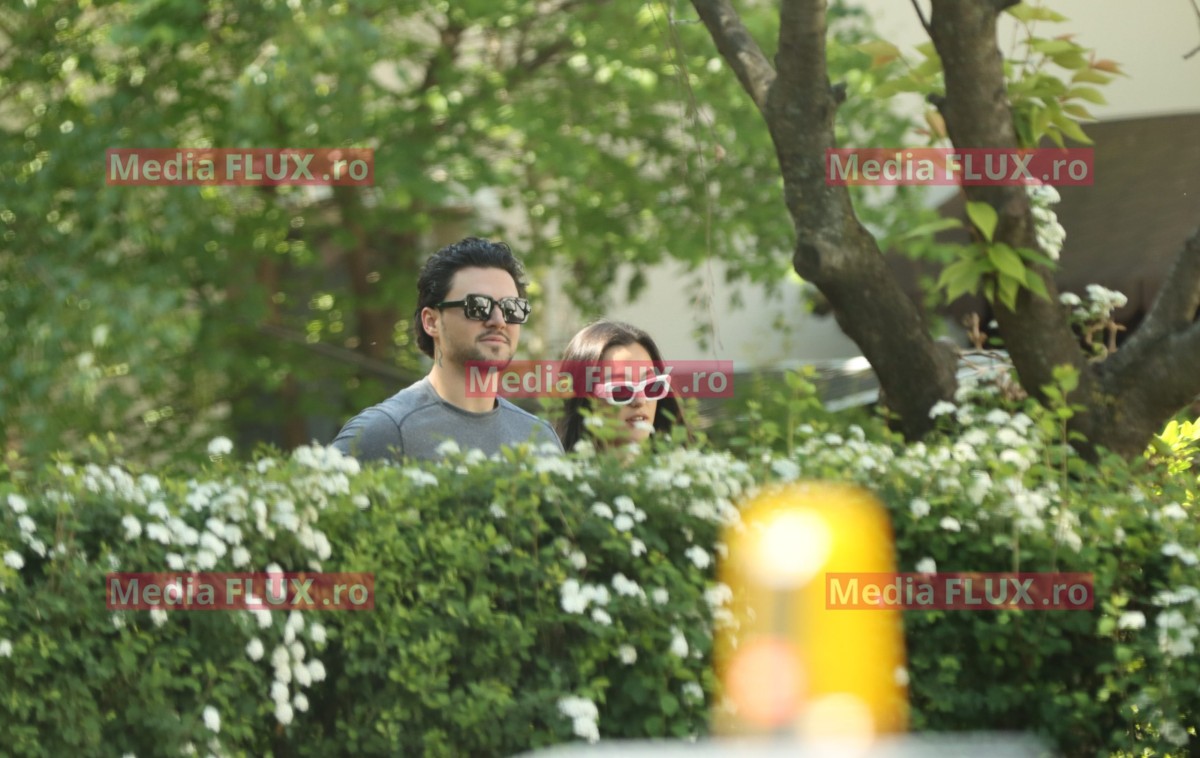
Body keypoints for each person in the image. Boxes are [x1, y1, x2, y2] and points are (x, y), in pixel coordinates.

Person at [331, 237, 563, 462]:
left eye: (512, 308)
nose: (499, 321)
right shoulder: (383, 432)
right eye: (478, 306)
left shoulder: (539, 439)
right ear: (431, 321)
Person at [556, 319, 689, 454]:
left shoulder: (685, 465)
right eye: (620, 390)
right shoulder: (553, 466)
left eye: (651, 386)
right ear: (585, 401)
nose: (640, 400)